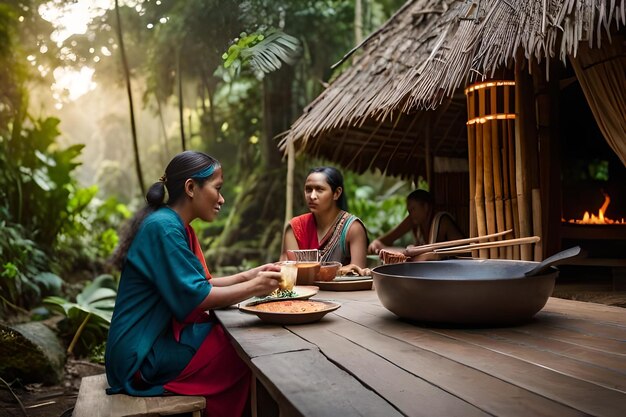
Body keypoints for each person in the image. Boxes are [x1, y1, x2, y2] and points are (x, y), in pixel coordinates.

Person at [105, 151, 282, 417]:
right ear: (190, 187)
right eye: (218, 189)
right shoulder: (164, 228)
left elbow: (199, 284)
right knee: (245, 348)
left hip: (153, 341)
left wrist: (250, 275)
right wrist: (257, 287)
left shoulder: (172, 224)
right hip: (139, 356)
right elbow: (199, 296)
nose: (222, 199)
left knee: (238, 338)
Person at [281, 167, 368, 273]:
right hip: (302, 290)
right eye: (308, 190)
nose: (312, 196)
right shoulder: (296, 228)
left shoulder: (353, 229)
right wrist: (338, 271)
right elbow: (290, 273)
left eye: (319, 189)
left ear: (336, 193)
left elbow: (359, 274)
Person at [368, 189, 465, 257]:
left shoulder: (442, 221)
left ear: (426, 207)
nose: (410, 214)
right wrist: (378, 244)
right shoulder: (417, 223)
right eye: (409, 211)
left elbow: (462, 251)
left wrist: (386, 248)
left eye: (413, 209)